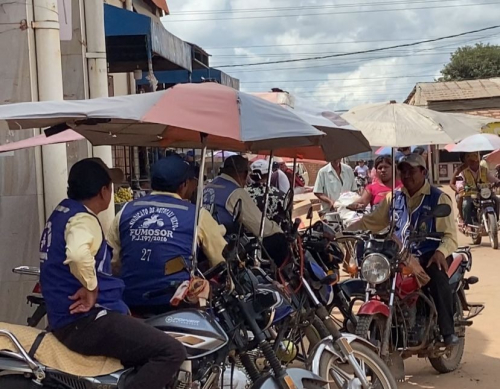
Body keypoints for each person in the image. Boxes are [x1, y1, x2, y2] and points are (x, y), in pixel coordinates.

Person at [40, 158, 186, 389]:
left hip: (66, 318)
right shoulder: (83, 220)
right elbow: (77, 255)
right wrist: (91, 288)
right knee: (171, 352)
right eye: (111, 186)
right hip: (84, 322)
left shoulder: (63, 211)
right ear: (103, 191)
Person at [348, 153, 459, 346]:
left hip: (429, 253)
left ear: (423, 171)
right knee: (378, 279)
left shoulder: (438, 198)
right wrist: (347, 229)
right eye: (403, 171)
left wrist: (441, 252)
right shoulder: (393, 197)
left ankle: (447, 331)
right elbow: (373, 221)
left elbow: (450, 235)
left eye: (411, 170)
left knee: (438, 277)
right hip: (399, 254)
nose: (406, 175)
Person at [108, 155, 227, 315]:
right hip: (177, 305)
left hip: (130, 303)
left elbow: (113, 262)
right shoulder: (198, 215)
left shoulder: (125, 211)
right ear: (184, 185)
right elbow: (221, 261)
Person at [203, 155, 288, 265]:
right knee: (279, 241)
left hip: (207, 240)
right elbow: (259, 226)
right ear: (244, 174)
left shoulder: (208, 187)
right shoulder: (235, 192)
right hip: (226, 244)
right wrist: (278, 230)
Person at [459, 152, 500, 226]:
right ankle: (468, 224)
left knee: (497, 200)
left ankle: (496, 219)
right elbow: (460, 182)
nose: (474, 163)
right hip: (471, 194)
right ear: (468, 162)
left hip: (485, 193)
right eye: (471, 161)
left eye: (476, 161)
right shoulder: (463, 172)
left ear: (479, 161)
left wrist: (497, 182)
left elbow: (492, 178)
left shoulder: (484, 170)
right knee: (466, 205)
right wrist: (461, 187)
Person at [246, 159, 286, 224]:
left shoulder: (242, 193)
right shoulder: (280, 195)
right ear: (269, 175)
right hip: (274, 232)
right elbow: (285, 222)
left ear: (251, 175)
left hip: (246, 232)